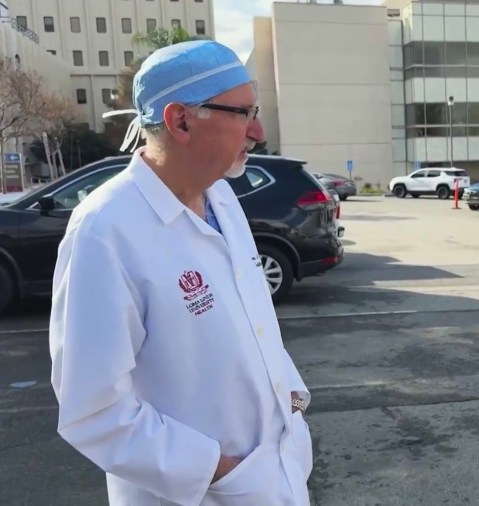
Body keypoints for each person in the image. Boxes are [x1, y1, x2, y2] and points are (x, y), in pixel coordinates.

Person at [48, 40, 314, 505]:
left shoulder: (221, 199)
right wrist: (220, 472)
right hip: (204, 492)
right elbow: (92, 410)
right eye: (243, 112)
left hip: (274, 474)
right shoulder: (105, 229)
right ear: (181, 120)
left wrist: (292, 399)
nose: (258, 129)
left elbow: (255, 324)